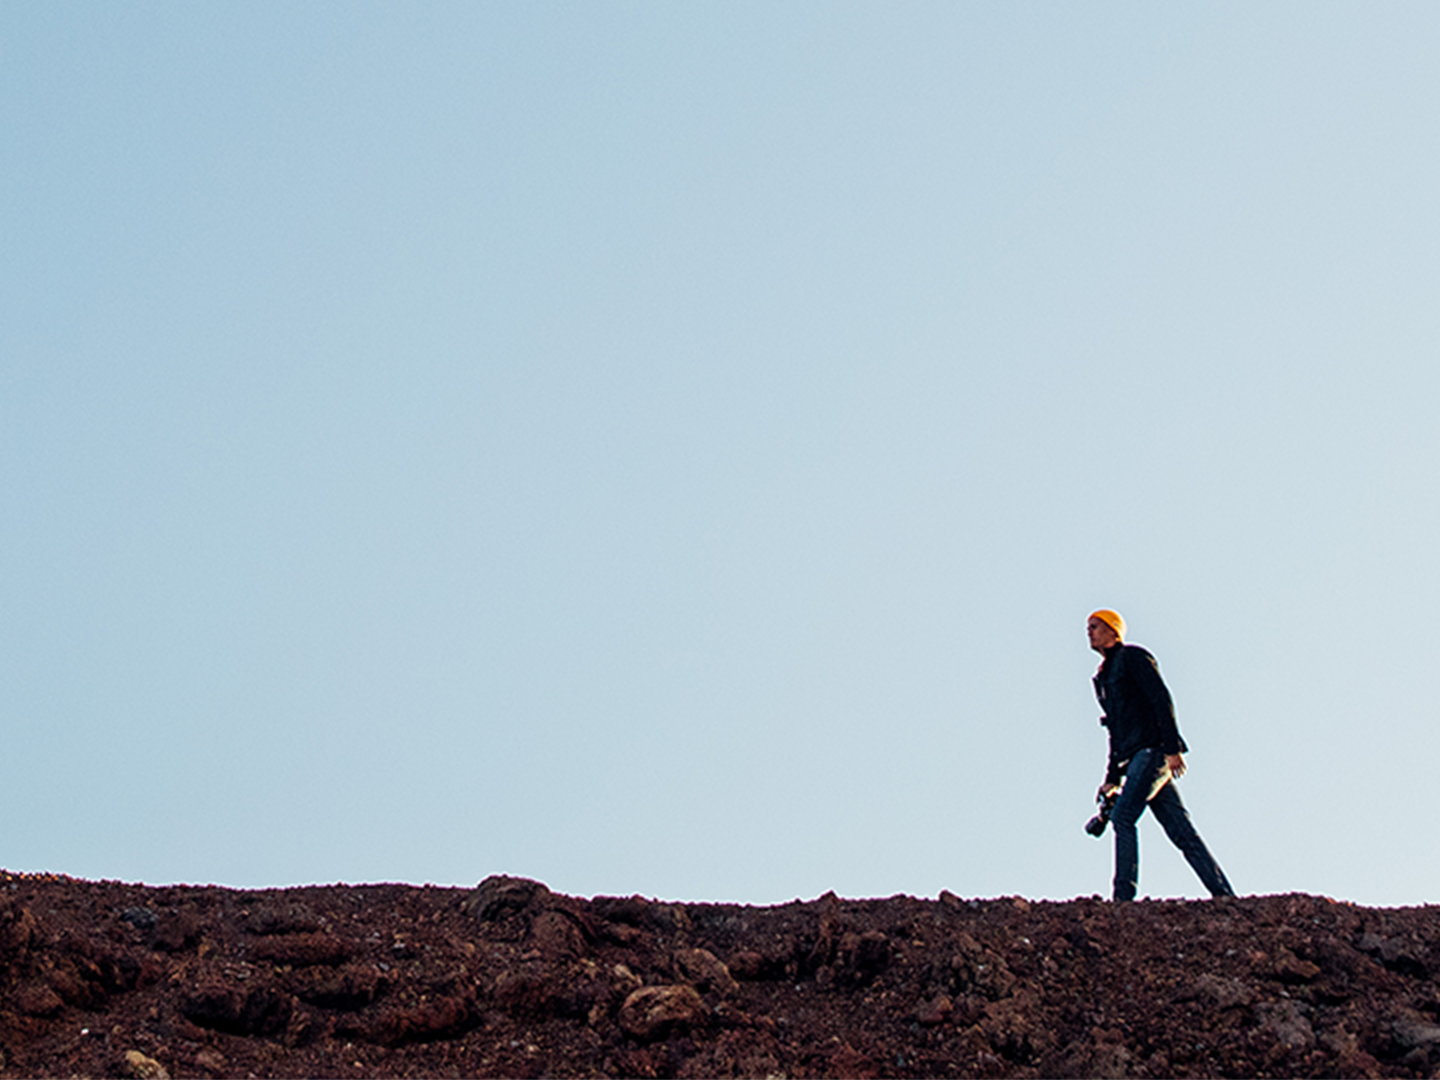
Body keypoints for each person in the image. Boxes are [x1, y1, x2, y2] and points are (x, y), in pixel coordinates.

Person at [1087, 609, 1234, 902]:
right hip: (1136, 760)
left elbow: (1159, 697)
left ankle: (1123, 899)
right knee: (1181, 831)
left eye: (1095, 626)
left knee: (1123, 818)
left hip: (1153, 753)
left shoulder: (1133, 658)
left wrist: (1172, 748)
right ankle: (1224, 895)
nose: (1089, 632)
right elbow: (1115, 730)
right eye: (1088, 627)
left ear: (1113, 631)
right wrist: (1111, 779)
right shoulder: (1103, 680)